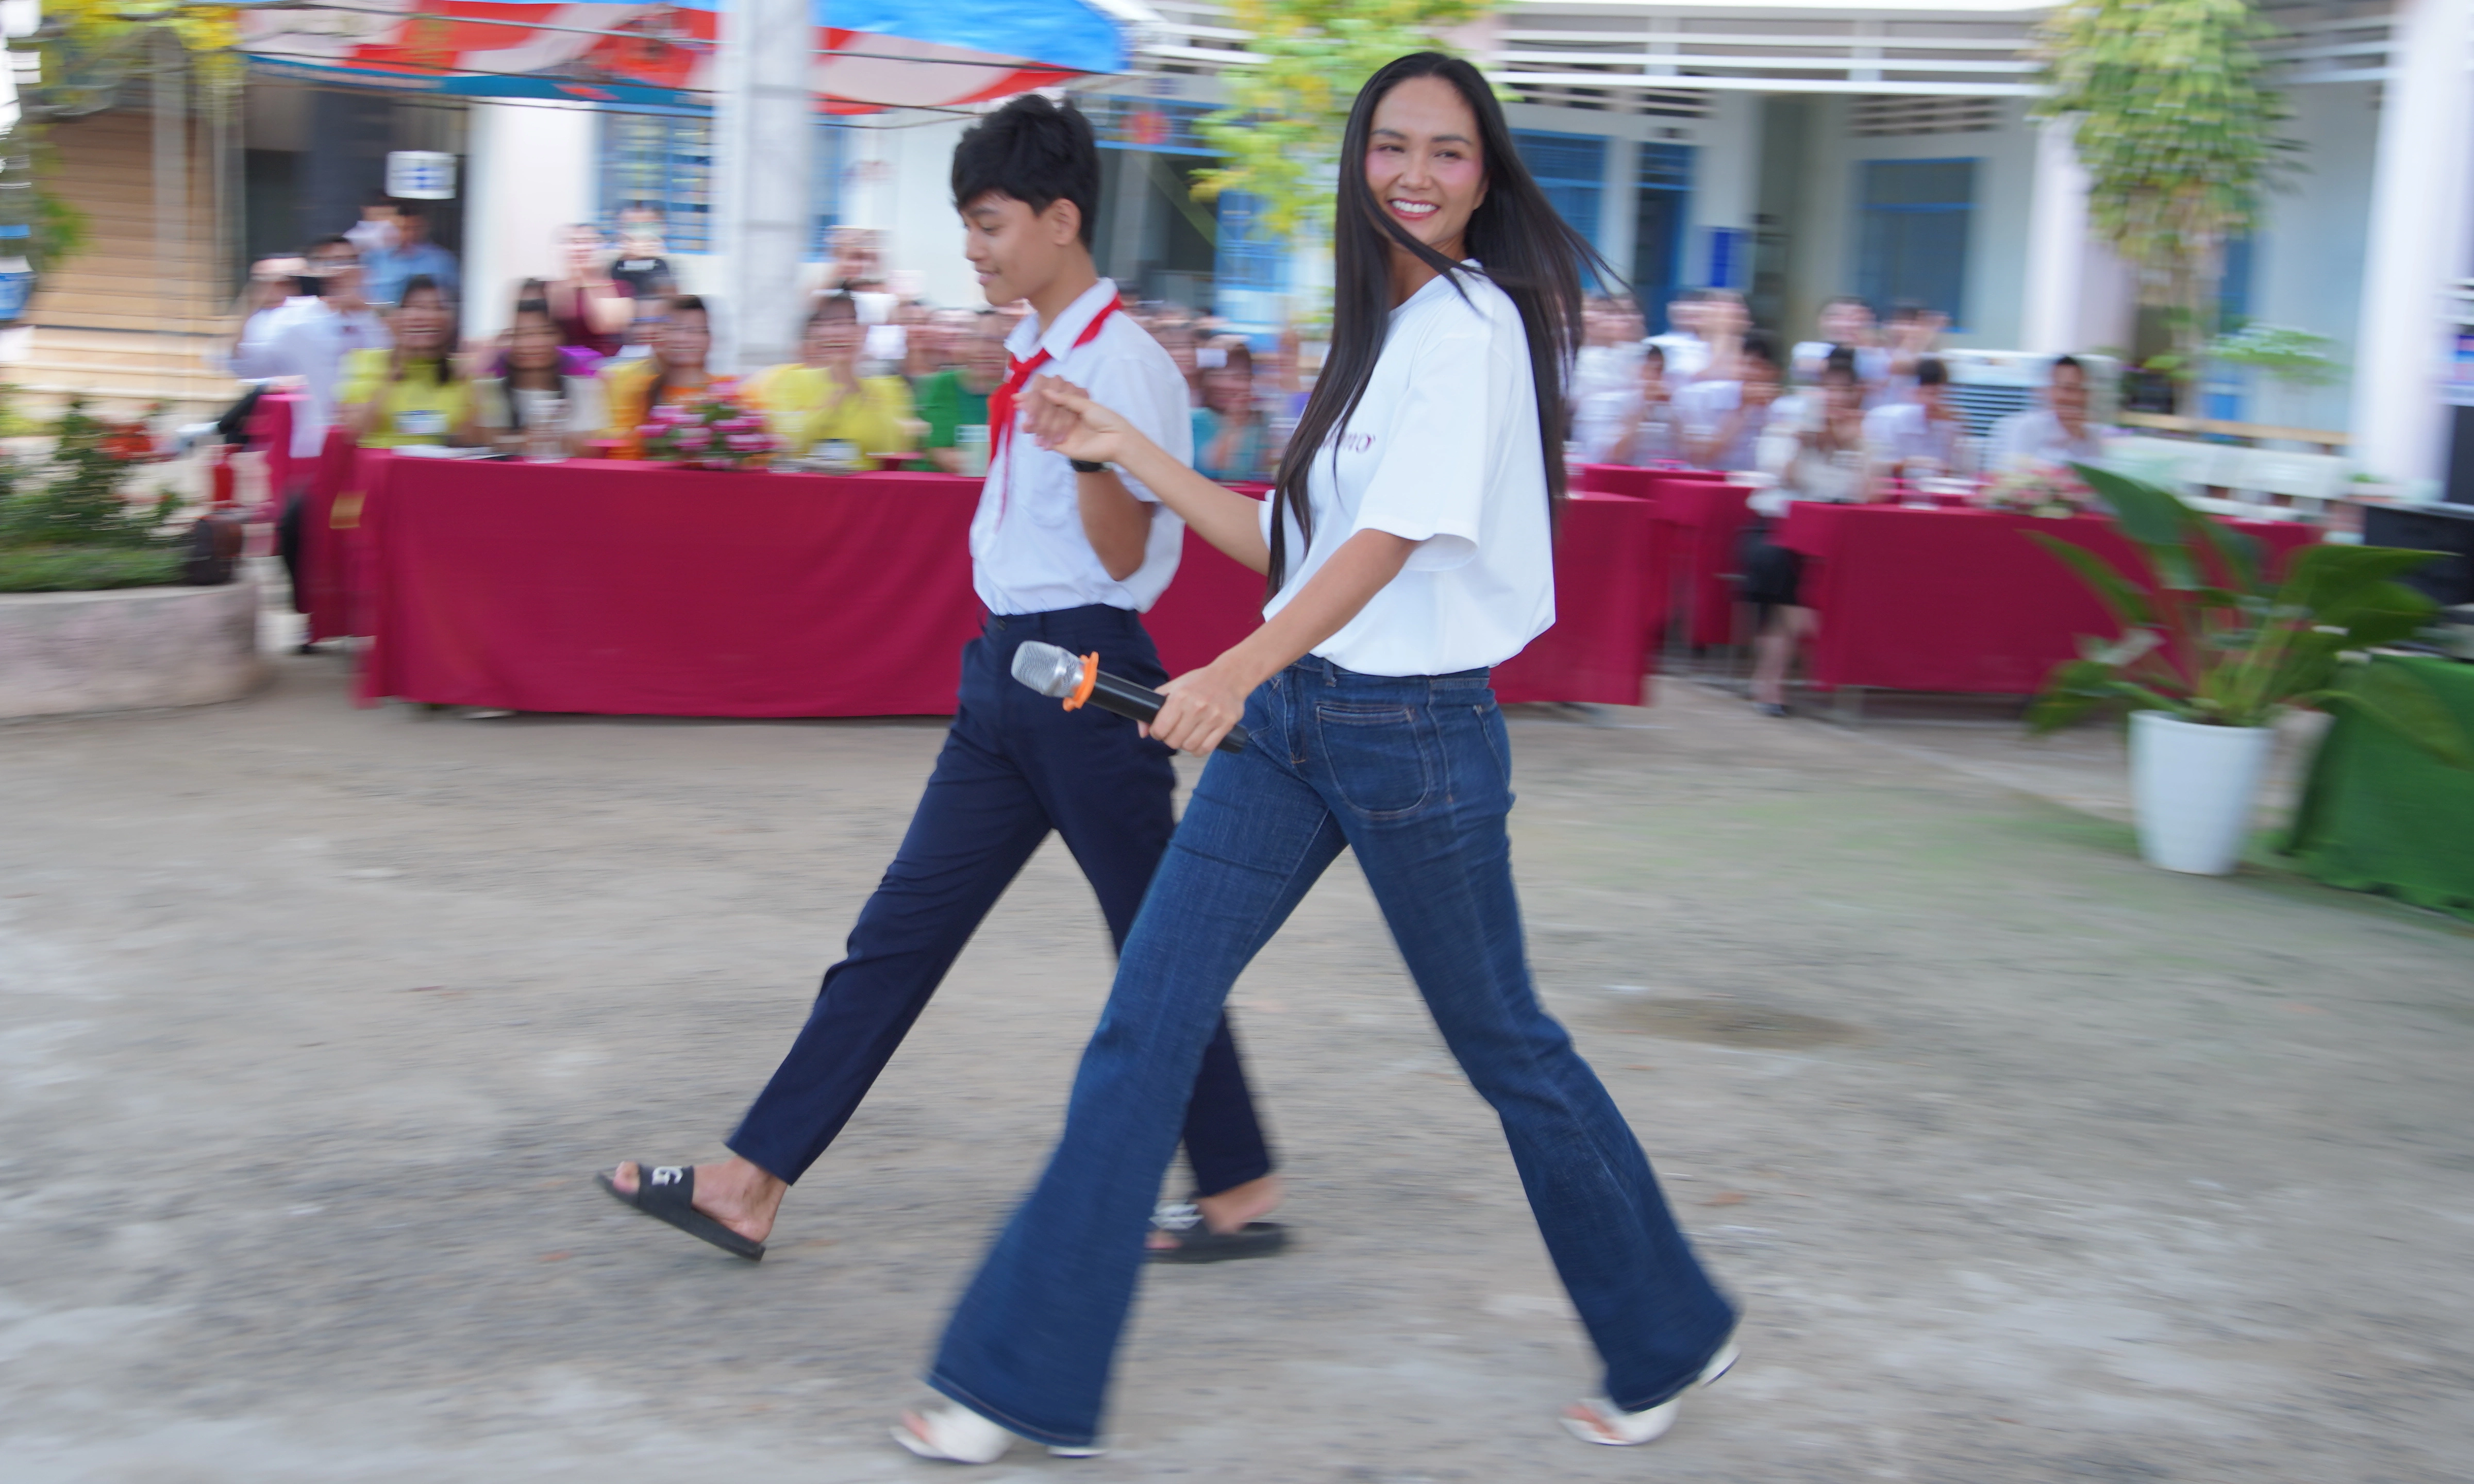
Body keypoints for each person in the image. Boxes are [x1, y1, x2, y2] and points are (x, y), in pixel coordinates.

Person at [895, 52, 1737, 1465]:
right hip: (1295, 729)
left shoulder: (1472, 328)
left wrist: (1233, 669)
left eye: (1450, 153)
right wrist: (1126, 449)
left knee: (1507, 1048)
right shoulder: (1378, 332)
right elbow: (1291, 542)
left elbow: (1385, 547)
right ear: (1361, 162)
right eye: (1392, 145)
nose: (1415, 172)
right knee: (1144, 1025)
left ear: (1487, 177)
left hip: (1414, 738)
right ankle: (1019, 1377)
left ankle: (1666, 1329)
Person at [596, 92, 1287, 1271]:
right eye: (968, 224)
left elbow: (1124, 560)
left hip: (1084, 672)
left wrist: (1092, 454)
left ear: (1061, 219)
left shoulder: (1122, 363)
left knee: (1153, 938)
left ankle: (1234, 1188)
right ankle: (751, 1181)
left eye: (988, 222)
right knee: (897, 934)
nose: (971, 247)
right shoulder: (1032, 347)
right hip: (1004, 672)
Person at [228, 235, 391, 642]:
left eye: (347, 262)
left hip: (375, 443)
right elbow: (240, 361)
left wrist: (367, 311)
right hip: (317, 448)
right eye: (329, 263)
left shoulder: (381, 322)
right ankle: (313, 615)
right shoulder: (298, 324)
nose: (338, 271)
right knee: (296, 528)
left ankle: (375, 619)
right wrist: (254, 296)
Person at [1743, 350, 1879, 716]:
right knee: (1784, 571)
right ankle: (1783, 673)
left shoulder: (1862, 436)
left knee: (1841, 574)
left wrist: (1853, 444)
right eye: (1827, 389)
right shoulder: (1788, 424)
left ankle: (1768, 678)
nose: (1833, 398)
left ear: (1855, 394)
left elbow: (1870, 495)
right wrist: (1805, 444)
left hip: (1836, 540)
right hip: (1778, 528)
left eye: (1843, 390)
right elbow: (1783, 476)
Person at [745, 294, 916, 469]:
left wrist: (854, 384)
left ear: (865, 332)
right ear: (818, 333)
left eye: (851, 324)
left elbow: (890, 445)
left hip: (866, 486)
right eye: (833, 324)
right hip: (810, 483)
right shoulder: (792, 380)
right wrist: (835, 396)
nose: (841, 332)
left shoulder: (889, 387)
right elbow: (790, 439)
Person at [337, 276, 469, 448]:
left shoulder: (461, 371)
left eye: (438, 308)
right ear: (392, 318)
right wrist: (393, 373)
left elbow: (473, 439)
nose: (427, 317)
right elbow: (355, 431)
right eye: (416, 307)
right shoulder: (366, 362)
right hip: (384, 469)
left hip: (439, 468)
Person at [470, 297, 608, 457]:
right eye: (522, 334)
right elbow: (485, 441)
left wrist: (543, 438)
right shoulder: (488, 389)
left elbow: (590, 449)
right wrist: (525, 440)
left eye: (545, 333)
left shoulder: (584, 388)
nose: (534, 343)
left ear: (560, 337)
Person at [599, 294, 715, 457]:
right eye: (675, 329)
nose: (683, 339)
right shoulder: (625, 380)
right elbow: (617, 449)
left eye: (695, 331)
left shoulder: (721, 393)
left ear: (710, 340)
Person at [1677, 329, 1785, 471]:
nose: (1751, 373)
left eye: (1761, 367)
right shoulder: (1706, 396)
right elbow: (1700, 458)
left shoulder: (1783, 408)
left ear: (1776, 373)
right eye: (1746, 364)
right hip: (1710, 478)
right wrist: (1741, 409)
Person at [914, 310, 1006, 473]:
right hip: (947, 487)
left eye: (996, 341)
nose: (984, 349)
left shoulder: (1015, 389)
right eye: (976, 339)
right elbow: (940, 452)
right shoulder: (945, 384)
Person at [1988, 354, 2108, 473]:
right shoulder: (2029, 428)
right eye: (2068, 389)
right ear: (2049, 391)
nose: (2076, 397)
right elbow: (2018, 475)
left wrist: (2079, 436)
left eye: (2083, 390)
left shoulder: (2093, 434)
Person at [1863, 355, 1970, 483]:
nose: (1934, 402)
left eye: (1941, 394)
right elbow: (1874, 467)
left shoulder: (1951, 422)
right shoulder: (1883, 419)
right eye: (1929, 394)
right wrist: (1913, 464)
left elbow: (1959, 472)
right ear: (1911, 392)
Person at [1576, 343, 1680, 465]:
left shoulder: (1668, 408)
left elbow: (1696, 460)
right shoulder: (1600, 404)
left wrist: (1674, 415)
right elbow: (1612, 456)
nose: (1651, 377)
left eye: (1658, 370)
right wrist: (1642, 407)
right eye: (1645, 369)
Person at [544, 224, 632, 359]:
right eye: (573, 242)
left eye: (587, 242)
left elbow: (609, 324)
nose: (580, 248)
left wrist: (588, 278)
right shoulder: (550, 289)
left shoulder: (618, 287)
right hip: (565, 367)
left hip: (606, 366)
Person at [1190, 336, 1269, 482]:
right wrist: (1233, 426)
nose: (1225, 384)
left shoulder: (1261, 423)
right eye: (1217, 375)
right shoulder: (1193, 420)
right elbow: (1210, 468)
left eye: (1238, 377)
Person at [364, 201, 460, 309]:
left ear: (425, 227)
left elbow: (452, 299)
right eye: (404, 229)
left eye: (416, 228)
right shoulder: (375, 258)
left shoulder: (441, 261)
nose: (410, 235)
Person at [608, 204, 676, 301]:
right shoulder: (616, 264)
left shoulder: (660, 263)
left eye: (645, 226)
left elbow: (669, 297)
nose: (638, 233)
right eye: (631, 226)